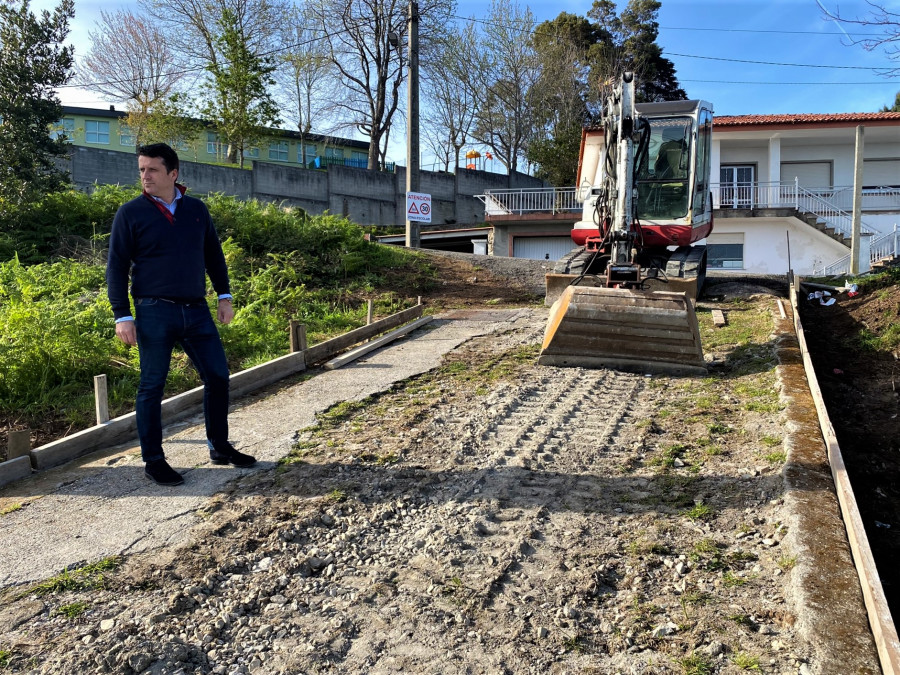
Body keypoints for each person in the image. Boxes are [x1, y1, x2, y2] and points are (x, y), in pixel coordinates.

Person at [106, 143, 255, 486]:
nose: (145, 176)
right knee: (152, 386)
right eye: (141, 169)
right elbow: (116, 267)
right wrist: (121, 315)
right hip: (153, 310)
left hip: (196, 311)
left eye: (152, 169)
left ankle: (219, 446)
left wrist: (225, 296)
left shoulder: (197, 210)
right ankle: (154, 461)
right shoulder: (130, 213)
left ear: (173, 173)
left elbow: (214, 256)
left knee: (218, 376)